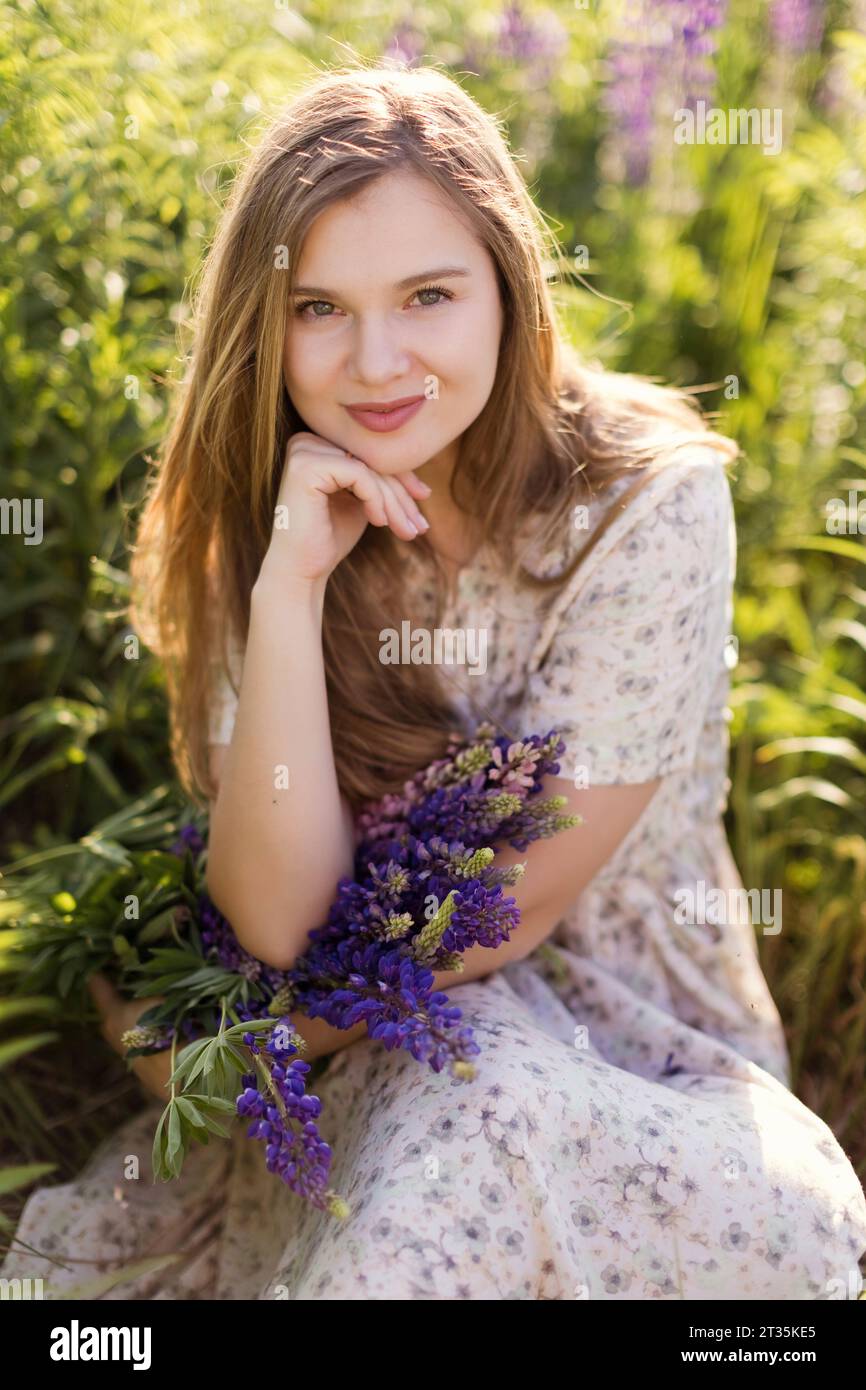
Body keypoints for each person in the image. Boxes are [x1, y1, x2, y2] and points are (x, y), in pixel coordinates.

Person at [3, 63, 865, 1301]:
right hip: (370, 1061)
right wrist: (292, 587)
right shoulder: (276, 519)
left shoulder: (646, 508)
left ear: (508, 292)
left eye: (427, 295)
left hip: (628, 1056)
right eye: (319, 309)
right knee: (439, 1128)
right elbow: (282, 925)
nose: (376, 361)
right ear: (265, 323)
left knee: (484, 1106)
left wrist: (214, 1049)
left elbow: (496, 918)